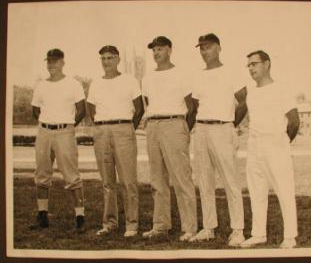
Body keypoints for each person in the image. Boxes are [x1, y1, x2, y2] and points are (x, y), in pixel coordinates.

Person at [185, 33, 246, 245]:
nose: (204, 52)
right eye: (201, 48)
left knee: (230, 180)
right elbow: (193, 107)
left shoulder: (232, 71)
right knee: (204, 180)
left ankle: (237, 230)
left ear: (219, 48)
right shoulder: (198, 75)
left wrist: (230, 124)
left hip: (223, 128)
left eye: (208, 47)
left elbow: (243, 101)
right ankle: (209, 227)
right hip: (201, 129)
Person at [240, 50, 300, 249]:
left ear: (266, 64)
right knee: (256, 190)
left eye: (254, 64)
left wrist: (280, 143)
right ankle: (258, 234)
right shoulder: (250, 91)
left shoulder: (281, 89)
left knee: (284, 189)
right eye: (248, 65)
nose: (251, 68)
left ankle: (290, 236)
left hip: (276, 144)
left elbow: (294, 122)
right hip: (254, 144)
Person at [141, 36, 198, 241]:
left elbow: (191, 107)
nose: (156, 53)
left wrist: (182, 130)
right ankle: (160, 225)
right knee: (157, 179)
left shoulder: (181, 73)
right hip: (153, 125)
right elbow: (149, 103)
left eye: (160, 49)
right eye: (154, 50)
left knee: (181, 178)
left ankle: (190, 227)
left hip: (175, 123)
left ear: (169, 50)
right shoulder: (147, 77)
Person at [87, 45, 144, 238]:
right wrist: (100, 126)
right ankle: (109, 222)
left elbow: (139, 108)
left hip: (123, 128)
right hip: (102, 130)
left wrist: (127, 128)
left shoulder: (129, 80)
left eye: (110, 58)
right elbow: (90, 108)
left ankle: (132, 224)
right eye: (103, 58)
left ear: (118, 59)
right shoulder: (95, 83)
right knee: (107, 182)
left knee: (128, 180)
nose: (106, 62)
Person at [30, 48, 86, 233]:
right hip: (44, 131)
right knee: (42, 174)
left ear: (63, 62)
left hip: (65, 132)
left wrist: (68, 126)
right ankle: (42, 216)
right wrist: (48, 122)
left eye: (54, 61)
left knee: (71, 175)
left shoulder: (73, 84)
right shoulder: (41, 85)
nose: (51, 64)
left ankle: (80, 217)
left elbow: (81, 110)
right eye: (48, 61)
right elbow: (35, 110)